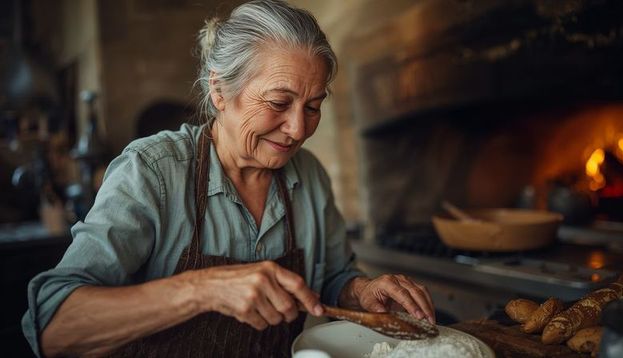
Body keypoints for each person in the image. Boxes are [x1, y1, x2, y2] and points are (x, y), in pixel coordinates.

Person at [22, 1, 435, 357]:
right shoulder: (153, 171)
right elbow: (54, 327)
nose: (297, 129)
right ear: (219, 92)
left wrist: (359, 290)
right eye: (278, 102)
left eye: (313, 106)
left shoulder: (308, 175)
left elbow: (329, 280)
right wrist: (202, 290)